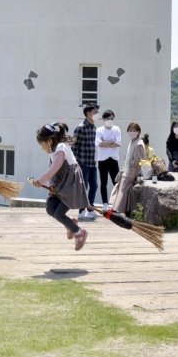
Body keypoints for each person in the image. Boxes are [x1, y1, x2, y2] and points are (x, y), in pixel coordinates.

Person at [30, 123, 89, 251]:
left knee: (59, 214)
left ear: (49, 141)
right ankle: (70, 225)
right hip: (60, 185)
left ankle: (79, 233)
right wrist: (50, 184)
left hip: (70, 185)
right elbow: (53, 172)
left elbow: (53, 169)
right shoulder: (52, 152)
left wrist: (40, 180)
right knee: (50, 209)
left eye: (42, 144)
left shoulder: (61, 148)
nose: (41, 147)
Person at [108, 122, 147, 214]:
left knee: (123, 194)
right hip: (126, 172)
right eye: (130, 130)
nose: (132, 132)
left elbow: (138, 162)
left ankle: (118, 211)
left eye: (134, 130)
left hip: (131, 174)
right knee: (120, 192)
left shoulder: (139, 144)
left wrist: (132, 174)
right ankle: (116, 210)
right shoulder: (132, 142)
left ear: (138, 132)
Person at [72, 103, 99, 221]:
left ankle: (90, 209)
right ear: (88, 113)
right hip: (82, 163)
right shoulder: (80, 127)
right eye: (95, 112)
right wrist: (75, 164)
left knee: (94, 186)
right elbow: (73, 146)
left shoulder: (94, 128)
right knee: (84, 187)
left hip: (92, 163)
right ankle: (81, 211)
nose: (97, 115)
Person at [95, 109, 121, 210]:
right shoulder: (99, 130)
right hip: (102, 159)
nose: (110, 120)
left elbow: (118, 143)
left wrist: (105, 143)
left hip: (113, 158)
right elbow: (98, 143)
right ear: (104, 119)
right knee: (103, 182)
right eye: (108, 118)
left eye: (111, 118)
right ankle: (105, 203)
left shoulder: (117, 129)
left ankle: (116, 204)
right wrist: (111, 141)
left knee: (116, 182)